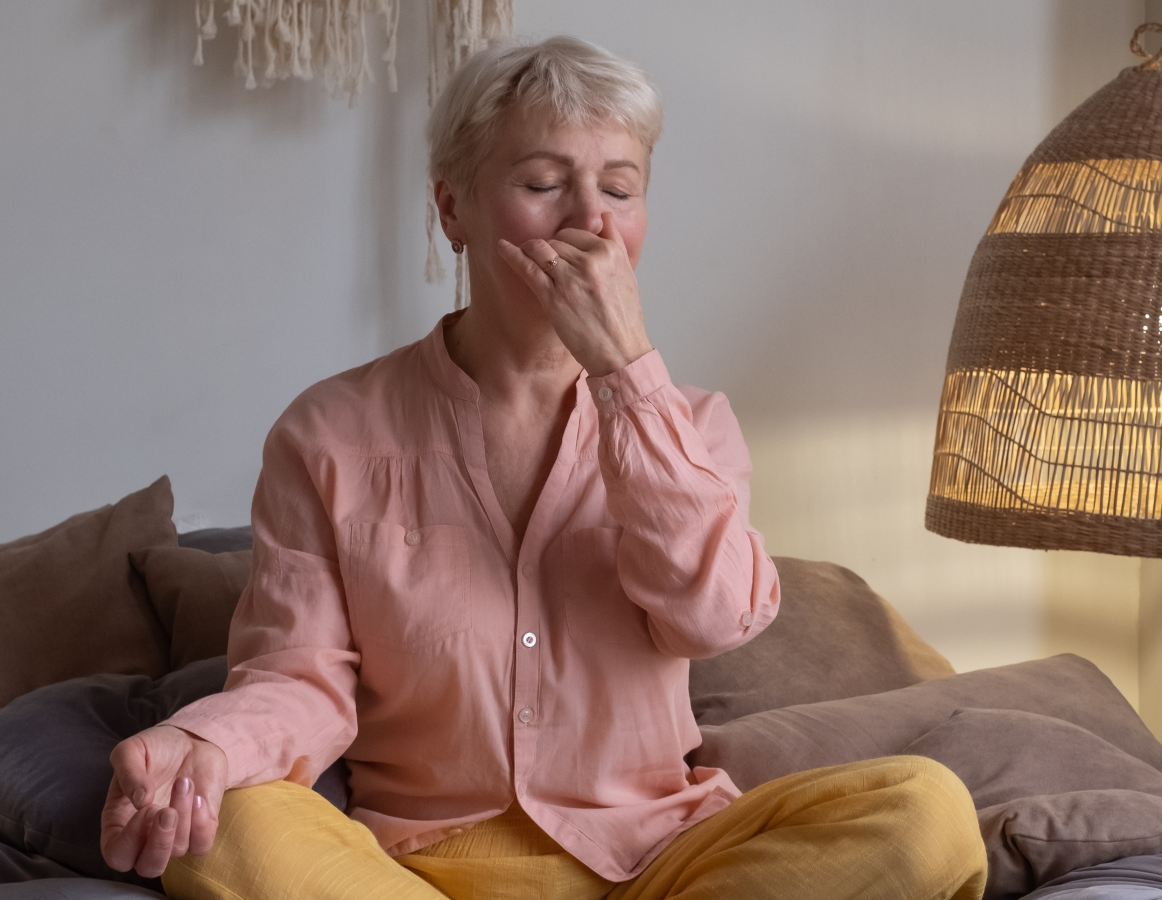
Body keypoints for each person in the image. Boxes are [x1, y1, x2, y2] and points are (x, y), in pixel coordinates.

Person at [98, 35, 986, 900]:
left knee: (927, 812)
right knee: (232, 825)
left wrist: (627, 377)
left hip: (658, 861)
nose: (591, 219)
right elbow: (298, 680)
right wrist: (205, 747)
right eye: (543, 183)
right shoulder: (328, 431)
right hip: (414, 869)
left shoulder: (696, 427)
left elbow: (713, 617)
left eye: (619, 188)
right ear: (454, 208)